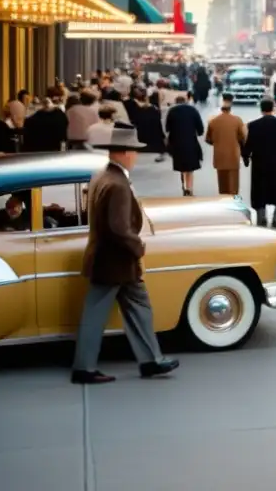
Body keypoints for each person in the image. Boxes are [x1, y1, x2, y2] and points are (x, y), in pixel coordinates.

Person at [71, 123, 178, 385]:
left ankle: (151, 360)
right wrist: (137, 246)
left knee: (139, 306)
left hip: (109, 259)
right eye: (135, 151)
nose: (137, 156)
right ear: (125, 152)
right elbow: (119, 228)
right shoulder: (118, 184)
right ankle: (84, 368)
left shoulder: (101, 176)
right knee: (97, 315)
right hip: (115, 260)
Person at [242, 98, 276, 227]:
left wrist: (246, 158)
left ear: (261, 109)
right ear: (273, 108)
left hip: (259, 162)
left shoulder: (253, 125)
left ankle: (261, 218)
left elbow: (248, 145)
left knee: (260, 191)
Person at [206, 93, 246, 195]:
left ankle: (224, 204)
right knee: (234, 186)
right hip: (233, 156)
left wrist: (218, 142)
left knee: (222, 185)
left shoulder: (213, 121)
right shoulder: (237, 120)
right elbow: (242, 138)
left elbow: (208, 139)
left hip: (219, 156)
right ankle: (235, 204)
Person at [165, 95, 204, 196]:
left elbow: (167, 128)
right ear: (186, 101)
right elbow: (200, 129)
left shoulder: (171, 111)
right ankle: (189, 189)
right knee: (190, 169)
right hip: (190, 141)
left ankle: (184, 186)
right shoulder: (192, 110)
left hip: (176, 143)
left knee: (182, 166)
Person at [129, 88, 167, 162]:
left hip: (139, 145)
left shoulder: (133, 109)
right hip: (154, 146)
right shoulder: (154, 110)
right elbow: (159, 128)